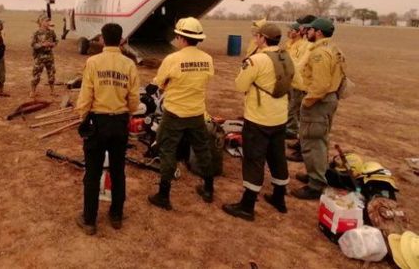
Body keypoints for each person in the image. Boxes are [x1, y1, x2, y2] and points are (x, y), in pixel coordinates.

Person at [74, 23, 140, 235]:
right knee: (118, 171)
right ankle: (116, 215)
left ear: (102, 39)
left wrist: (82, 117)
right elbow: (134, 98)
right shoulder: (129, 64)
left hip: (98, 123)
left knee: (92, 173)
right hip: (119, 123)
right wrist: (126, 113)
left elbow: (86, 94)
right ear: (121, 40)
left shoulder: (93, 62)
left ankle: (89, 220)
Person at [222, 23, 292, 221]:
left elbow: (240, 85)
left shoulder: (256, 60)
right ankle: (279, 197)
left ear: (262, 38)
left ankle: (247, 205)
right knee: (277, 156)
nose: (255, 38)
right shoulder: (287, 56)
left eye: (257, 36)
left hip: (259, 117)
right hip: (280, 116)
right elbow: (298, 82)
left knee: (254, 158)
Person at [147, 17, 215, 210]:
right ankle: (209, 189)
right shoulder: (207, 59)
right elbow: (205, 80)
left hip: (175, 113)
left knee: (167, 149)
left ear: (181, 38)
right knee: (202, 149)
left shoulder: (173, 59)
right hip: (196, 113)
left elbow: (159, 82)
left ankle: (163, 195)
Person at [291, 17, 346, 200]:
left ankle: (315, 184)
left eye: (310, 30)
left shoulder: (319, 53)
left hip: (318, 101)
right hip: (329, 99)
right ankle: (315, 174)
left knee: (313, 141)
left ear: (319, 32)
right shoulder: (334, 49)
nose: (306, 32)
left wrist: (307, 102)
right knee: (320, 141)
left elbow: (320, 85)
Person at [283, 22, 307, 139]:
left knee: (293, 106)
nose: (289, 32)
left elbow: (298, 65)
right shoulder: (289, 44)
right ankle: (289, 126)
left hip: (298, 82)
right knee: (288, 104)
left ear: (298, 32)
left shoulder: (303, 46)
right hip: (288, 79)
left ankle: (292, 129)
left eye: (292, 30)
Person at [30, 15, 58, 97]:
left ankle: (52, 91)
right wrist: (42, 45)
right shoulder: (36, 33)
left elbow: (56, 41)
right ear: (41, 22)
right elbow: (33, 44)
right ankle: (32, 91)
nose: (48, 23)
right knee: (36, 75)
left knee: (52, 74)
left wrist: (52, 44)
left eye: (48, 21)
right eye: (46, 21)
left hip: (49, 56)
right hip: (39, 57)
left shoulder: (51, 32)